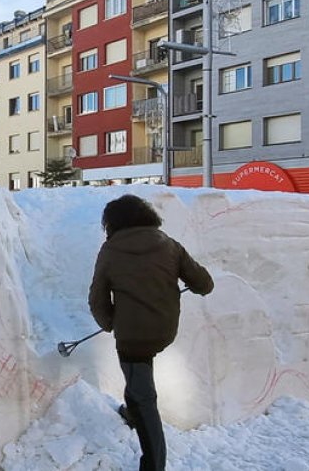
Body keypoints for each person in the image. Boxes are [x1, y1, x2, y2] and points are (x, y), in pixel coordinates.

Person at [88, 194, 214, 471]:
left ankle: (153, 463)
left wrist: (110, 323)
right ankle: (132, 411)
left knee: (144, 394)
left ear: (114, 223)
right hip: (165, 329)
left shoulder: (110, 251)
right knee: (139, 378)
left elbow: (97, 299)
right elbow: (205, 283)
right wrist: (193, 285)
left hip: (132, 338)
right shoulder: (168, 244)